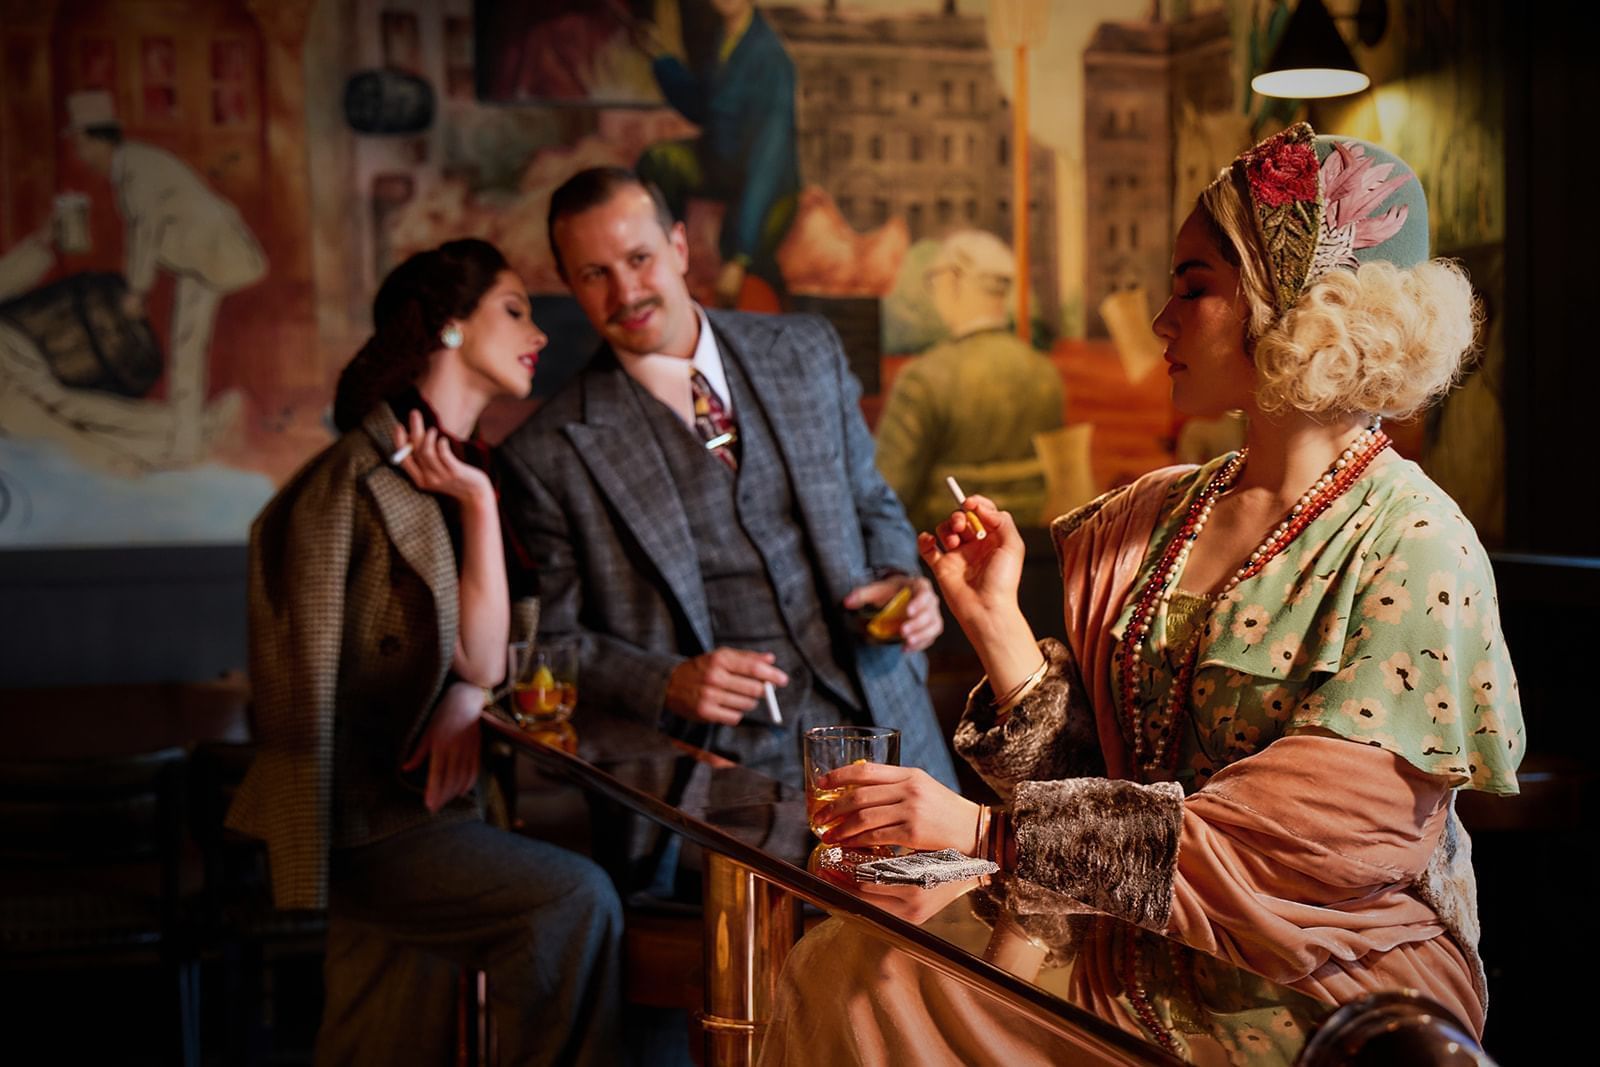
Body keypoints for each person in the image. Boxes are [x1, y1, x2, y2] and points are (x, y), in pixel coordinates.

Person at [796, 123, 1522, 1046]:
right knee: (850, 969)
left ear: (1299, 310)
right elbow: (1107, 776)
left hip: (1318, 991)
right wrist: (998, 624)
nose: (1160, 321)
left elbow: (1306, 854)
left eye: (1194, 287)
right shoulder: (1155, 514)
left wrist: (988, 836)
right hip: (1122, 948)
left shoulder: (1415, 544)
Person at [496, 168, 957, 882]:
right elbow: (551, 643)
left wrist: (907, 583)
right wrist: (666, 682)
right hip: (726, 781)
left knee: (955, 935)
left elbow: (873, 503)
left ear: (679, 247)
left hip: (895, 730)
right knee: (804, 950)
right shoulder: (547, 452)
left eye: (639, 258)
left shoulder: (807, 350)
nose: (626, 292)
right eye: (594, 274)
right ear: (569, 283)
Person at [227, 239, 622, 1065]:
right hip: (369, 820)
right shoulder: (348, 481)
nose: (539, 333)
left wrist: (468, 693)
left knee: (382, 1034)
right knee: (573, 900)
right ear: (449, 325)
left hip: (454, 807)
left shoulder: (476, 475)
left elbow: (485, 662)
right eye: (513, 310)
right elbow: (296, 684)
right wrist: (309, 858)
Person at [63, 89, 266, 464]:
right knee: (185, 350)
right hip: (199, 259)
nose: (80, 153)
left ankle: (185, 447)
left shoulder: (136, 168)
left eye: (80, 143)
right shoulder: (131, 165)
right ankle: (185, 441)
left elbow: (146, 229)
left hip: (212, 257)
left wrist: (136, 291)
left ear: (97, 139)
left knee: (186, 350)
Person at [874, 229, 1064, 531]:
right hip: (1030, 543)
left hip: (947, 544)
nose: (935, 294)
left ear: (954, 282)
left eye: (935, 281)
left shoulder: (923, 378)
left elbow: (886, 492)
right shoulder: (1044, 373)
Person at [636, 0, 800, 306]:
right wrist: (662, 60)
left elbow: (768, 158)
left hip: (767, 188)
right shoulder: (723, 39)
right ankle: (665, 254)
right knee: (659, 161)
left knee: (748, 276)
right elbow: (704, 107)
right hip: (722, 167)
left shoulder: (769, 57)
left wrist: (740, 256)